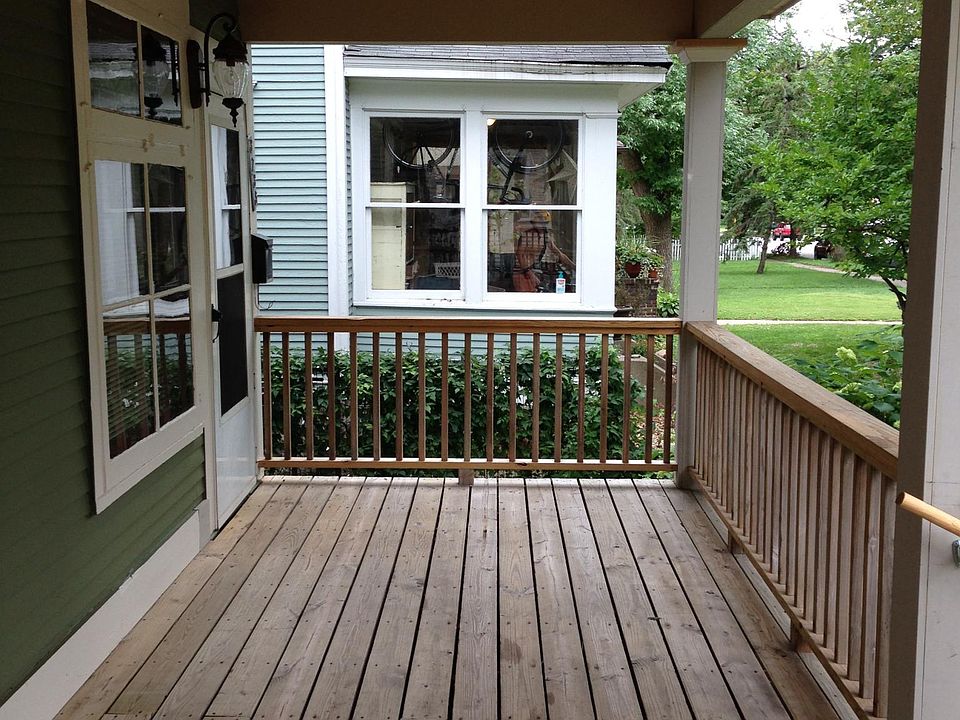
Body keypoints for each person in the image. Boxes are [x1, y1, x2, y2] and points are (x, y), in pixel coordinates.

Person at [512, 210, 575, 292]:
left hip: (533, 271)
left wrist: (574, 267)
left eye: (543, 222)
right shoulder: (528, 235)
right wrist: (529, 273)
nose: (540, 225)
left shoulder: (546, 237)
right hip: (522, 273)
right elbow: (520, 255)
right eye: (538, 222)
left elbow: (559, 254)